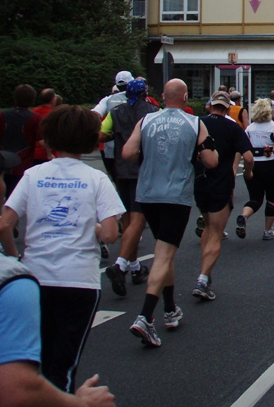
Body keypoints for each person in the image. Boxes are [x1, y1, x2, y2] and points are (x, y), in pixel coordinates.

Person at [0, 106, 124, 393]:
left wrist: (15, 260)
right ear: (92, 140)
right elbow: (110, 234)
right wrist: (88, 227)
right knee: (64, 364)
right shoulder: (97, 179)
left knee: (35, 359)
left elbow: (5, 225)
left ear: (50, 139)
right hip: (79, 281)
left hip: (34, 279)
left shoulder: (33, 175)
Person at [121, 79, 218, 347]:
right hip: (176, 195)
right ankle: (145, 317)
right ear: (186, 97)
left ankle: (170, 308)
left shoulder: (146, 121)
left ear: (163, 96)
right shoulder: (194, 123)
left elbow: (127, 152)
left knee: (166, 251)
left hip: (148, 193)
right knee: (164, 254)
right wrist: (196, 153)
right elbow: (211, 160)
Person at [0, 249, 117, 406]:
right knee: (61, 366)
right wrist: (83, 404)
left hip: (40, 270)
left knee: (42, 360)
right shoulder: (8, 278)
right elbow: (16, 391)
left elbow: (5, 227)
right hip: (78, 278)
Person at [192, 91, 253, 301]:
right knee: (217, 233)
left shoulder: (197, 123)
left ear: (210, 106)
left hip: (200, 181)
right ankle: (203, 278)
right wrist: (248, 172)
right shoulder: (232, 127)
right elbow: (248, 156)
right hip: (221, 183)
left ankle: (205, 272)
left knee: (207, 228)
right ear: (227, 108)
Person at [100, 80, 158, 297]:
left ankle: (135, 268)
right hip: (143, 169)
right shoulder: (153, 111)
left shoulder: (115, 112)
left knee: (127, 221)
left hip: (121, 168)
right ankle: (120, 266)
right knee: (138, 220)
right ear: (145, 93)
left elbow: (101, 134)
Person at [238, 99, 274, 241]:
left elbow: (243, 146)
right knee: (272, 198)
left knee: (255, 198)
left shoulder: (250, 129)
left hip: (252, 165)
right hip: (270, 164)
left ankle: (244, 216)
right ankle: (267, 230)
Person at [0, 83, 37, 198]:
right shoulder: (35, 118)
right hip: (23, 162)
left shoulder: (3, 115)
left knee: (0, 195)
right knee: (17, 196)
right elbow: (42, 141)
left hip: (2, 161)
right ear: (32, 100)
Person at [92, 72, 134, 182]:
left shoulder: (108, 99)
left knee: (116, 180)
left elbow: (94, 115)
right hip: (135, 147)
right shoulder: (141, 99)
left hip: (112, 148)